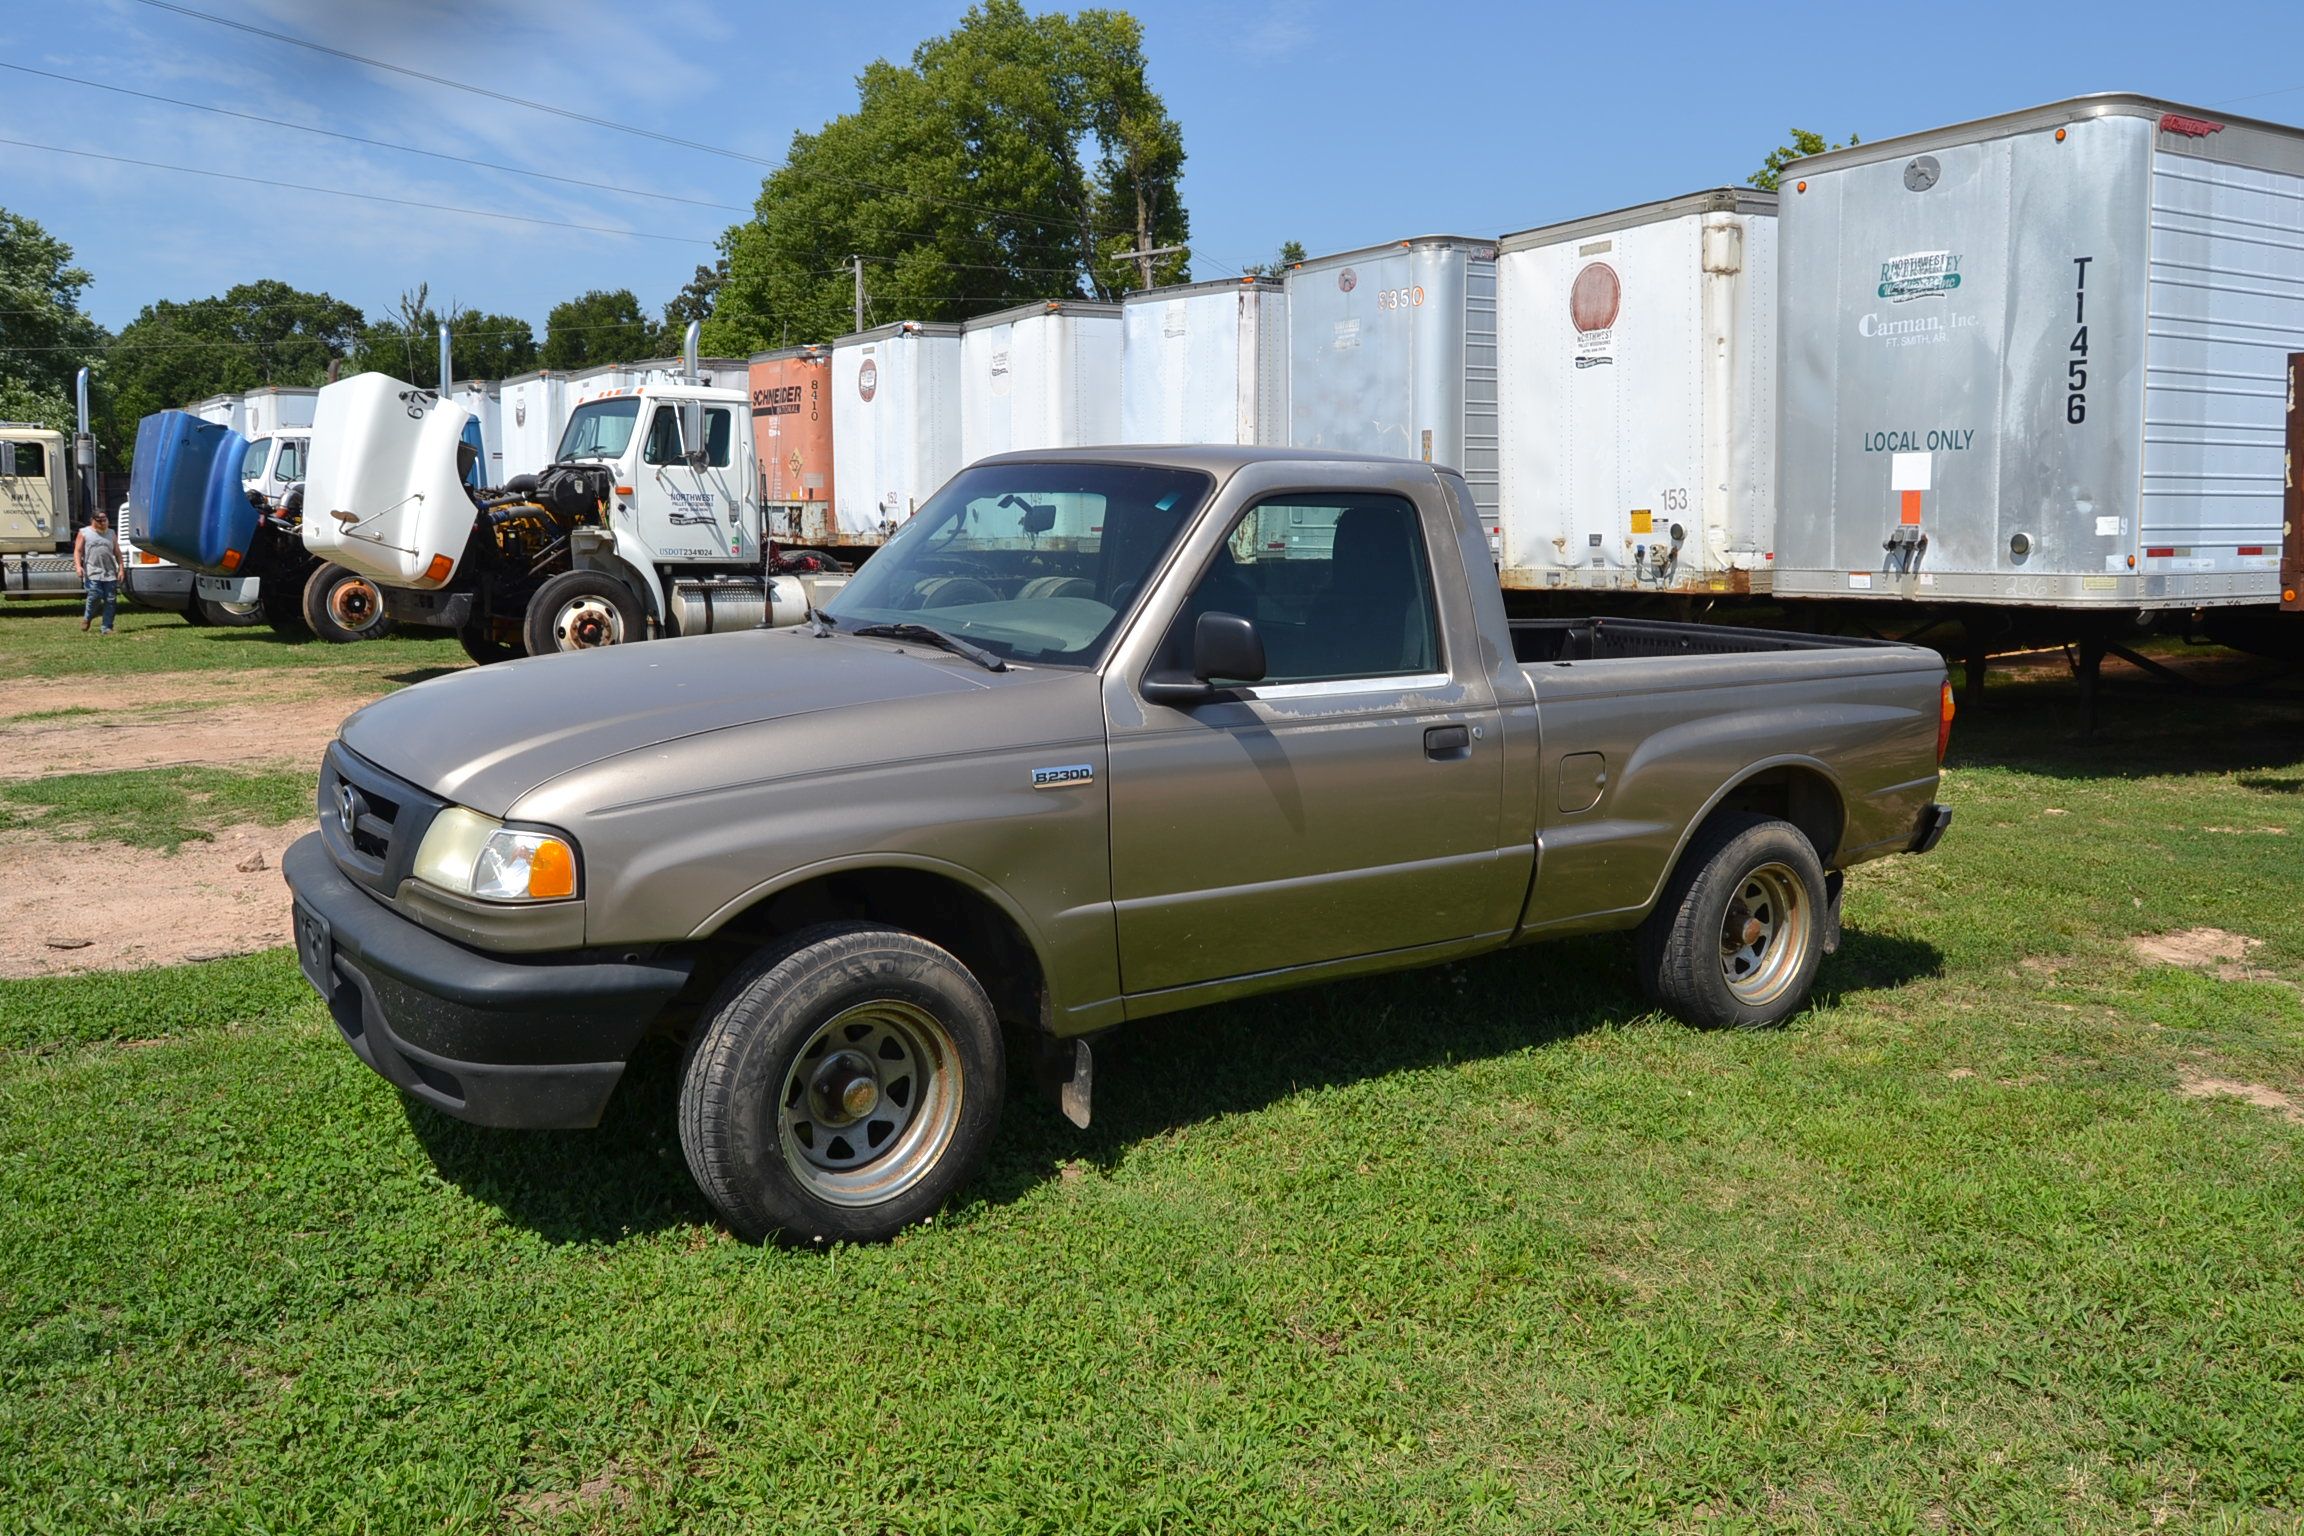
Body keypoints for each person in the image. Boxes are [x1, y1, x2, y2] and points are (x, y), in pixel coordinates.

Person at [75, 509, 121, 634]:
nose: (103, 523)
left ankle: (106, 628)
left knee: (110, 600)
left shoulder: (111, 533)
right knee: (95, 596)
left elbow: (117, 552)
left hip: (110, 572)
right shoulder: (84, 532)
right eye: (99, 520)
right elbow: (78, 551)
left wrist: (121, 569)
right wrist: (78, 566)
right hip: (92, 571)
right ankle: (87, 617)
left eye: (105, 520)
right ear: (93, 520)